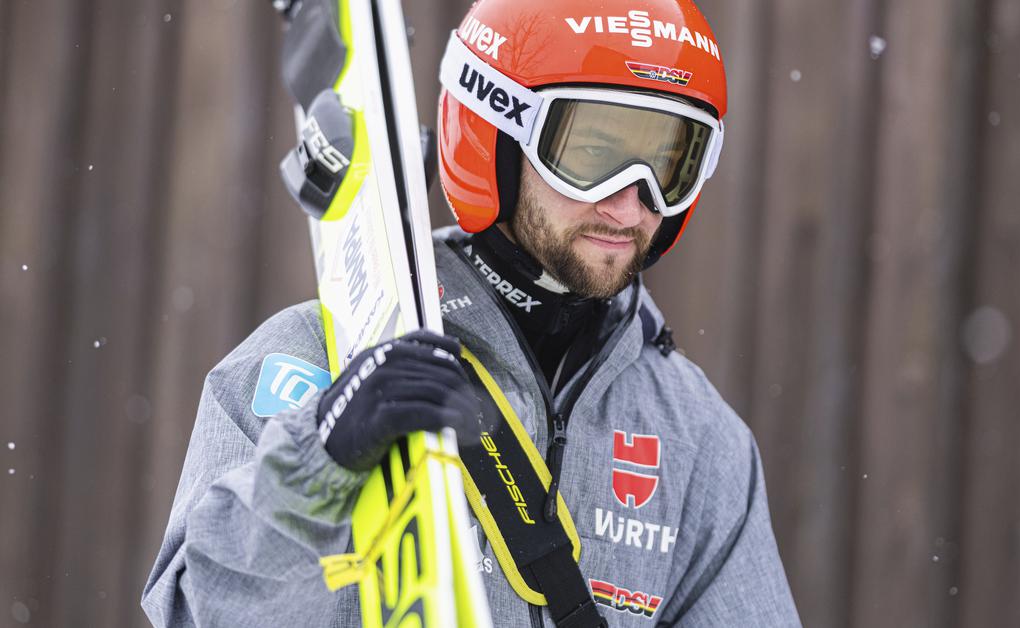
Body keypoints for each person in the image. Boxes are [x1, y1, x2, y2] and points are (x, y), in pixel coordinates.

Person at [142, 0, 801, 625]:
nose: (631, 206)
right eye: (594, 154)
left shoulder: (698, 440)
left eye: (667, 164)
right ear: (498, 133)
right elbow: (195, 611)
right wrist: (318, 461)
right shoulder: (313, 355)